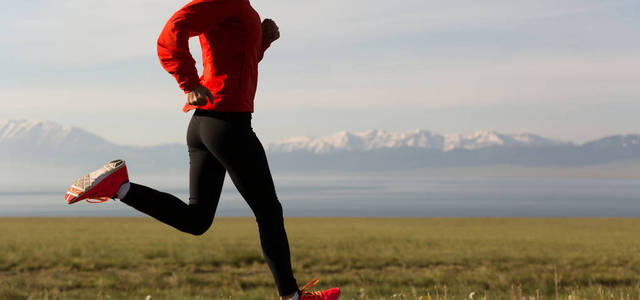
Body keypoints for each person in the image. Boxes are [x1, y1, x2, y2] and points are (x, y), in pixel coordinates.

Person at [64, 1, 341, 299]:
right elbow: (173, 30)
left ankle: (119, 187)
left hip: (209, 124)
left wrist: (262, 42)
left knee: (197, 220)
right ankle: (293, 297)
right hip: (227, 124)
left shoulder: (243, 8)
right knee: (269, 211)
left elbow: (235, 63)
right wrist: (188, 82)